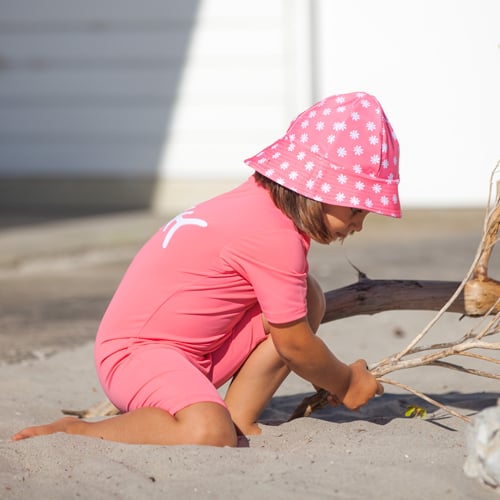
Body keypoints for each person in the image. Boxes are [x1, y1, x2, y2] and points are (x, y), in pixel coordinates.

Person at [12, 91, 400, 447]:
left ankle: (238, 418)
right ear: (318, 191)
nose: (358, 224)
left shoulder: (259, 200)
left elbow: (292, 333)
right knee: (206, 430)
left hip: (188, 352)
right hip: (137, 355)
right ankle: (79, 432)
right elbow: (294, 345)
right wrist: (345, 382)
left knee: (306, 296)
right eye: (355, 209)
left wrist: (329, 374)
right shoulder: (273, 237)